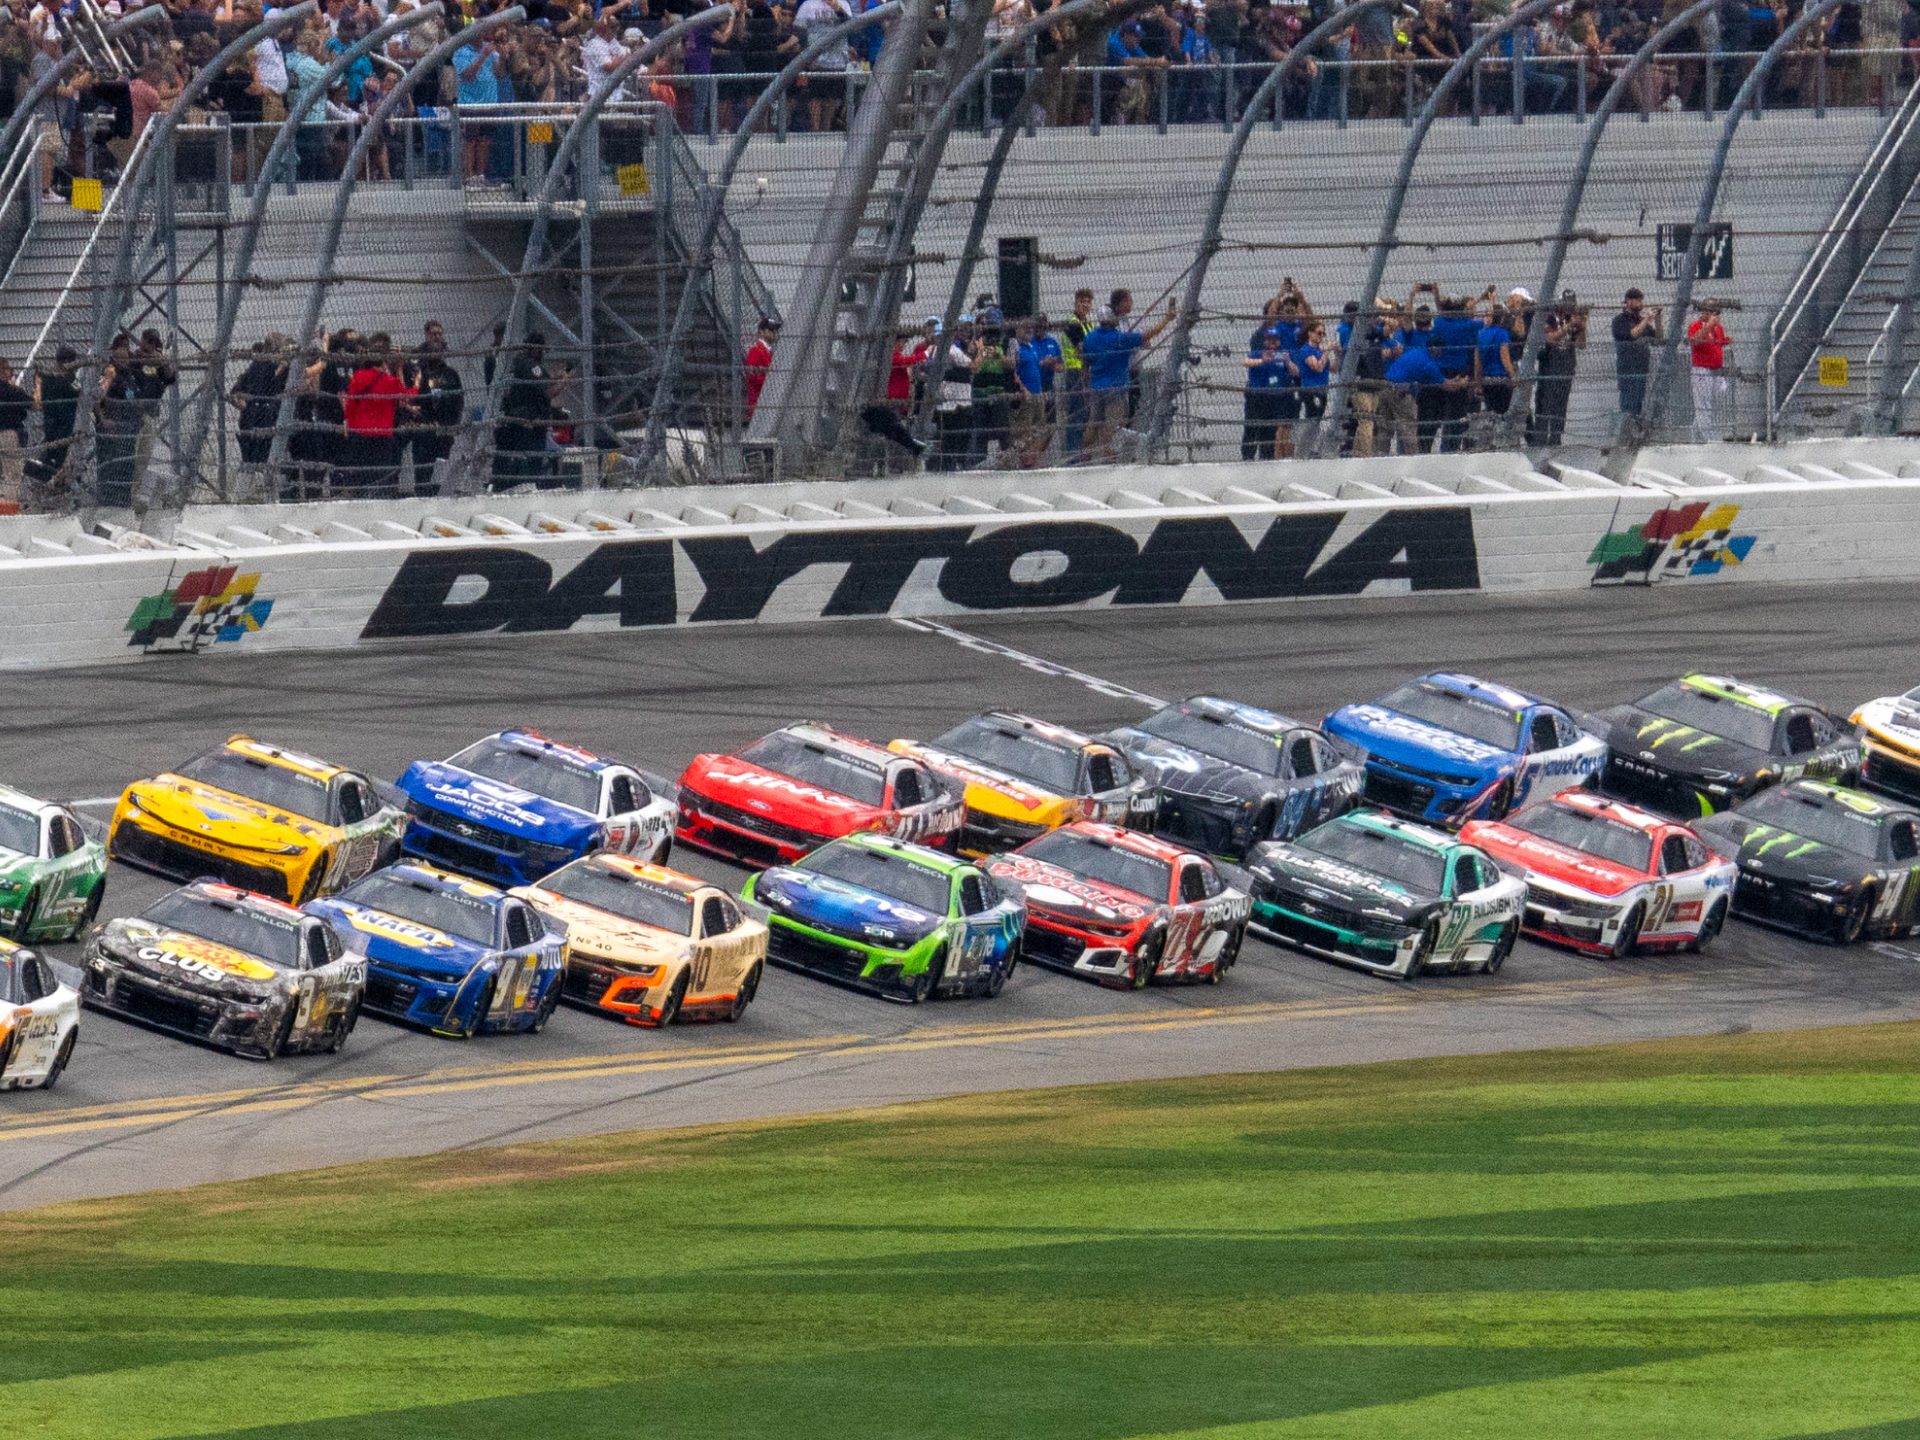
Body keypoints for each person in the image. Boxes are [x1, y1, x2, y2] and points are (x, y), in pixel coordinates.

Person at [1080, 297, 1175, 463]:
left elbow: (1085, 363)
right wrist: (1167, 318)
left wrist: (1085, 385)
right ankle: (1108, 458)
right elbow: (1149, 334)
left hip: (1096, 387)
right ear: (1112, 319)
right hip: (1116, 388)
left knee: (1093, 422)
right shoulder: (1119, 338)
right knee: (1113, 424)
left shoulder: (1090, 338)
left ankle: (1085, 456)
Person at [229, 336, 290, 491]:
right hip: (266, 416)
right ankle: (276, 493)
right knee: (271, 456)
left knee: (249, 460)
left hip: (250, 417)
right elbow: (274, 380)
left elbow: (234, 393)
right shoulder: (273, 366)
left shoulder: (254, 366)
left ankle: (242, 494)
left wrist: (246, 407)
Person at [407, 339, 464, 494]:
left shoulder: (450, 374)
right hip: (424, 427)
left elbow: (458, 400)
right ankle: (421, 494)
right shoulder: (419, 373)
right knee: (422, 466)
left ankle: (437, 494)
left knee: (440, 467)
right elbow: (410, 397)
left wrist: (454, 424)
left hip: (444, 428)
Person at [1529, 295, 1584, 447]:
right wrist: (1568, 326)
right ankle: (1539, 439)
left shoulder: (1571, 317)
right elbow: (1550, 338)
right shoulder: (1549, 317)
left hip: (1566, 367)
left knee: (1561, 405)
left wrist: (1582, 327)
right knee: (1545, 403)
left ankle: (1555, 438)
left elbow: (1581, 345)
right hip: (1549, 367)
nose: (1569, 307)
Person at [29, 346, 79, 497]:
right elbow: (75, 393)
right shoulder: (57, 380)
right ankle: (55, 488)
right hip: (61, 424)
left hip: (57, 423)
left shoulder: (50, 377)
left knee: (57, 455)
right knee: (57, 457)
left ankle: (56, 487)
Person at [454, 35, 503, 182]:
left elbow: (498, 73)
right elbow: (467, 75)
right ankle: (469, 176)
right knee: (470, 140)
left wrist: (503, 56)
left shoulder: (491, 50)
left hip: (490, 102)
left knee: (484, 140)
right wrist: (483, 55)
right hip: (470, 103)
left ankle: (480, 175)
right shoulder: (461, 52)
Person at [1611, 287, 1661, 422]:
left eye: (1641, 300)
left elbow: (1658, 338)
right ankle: (1627, 425)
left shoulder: (1640, 320)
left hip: (1641, 365)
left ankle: (1635, 425)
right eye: (1637, 300)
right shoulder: (1619, 320)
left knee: (1639, 398)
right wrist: (1646, 320)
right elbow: (1631, 335)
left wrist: (1657, 318)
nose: (1641, 304)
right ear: (1628, 301)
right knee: (1628, 398)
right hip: (1627, 366)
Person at [1240, 328, 1289, 460]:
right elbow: (1245, 362)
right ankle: (1247, 457)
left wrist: (1289, 362)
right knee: (1252, 427)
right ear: (1265, 341)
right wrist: (1262, 361)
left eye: (1275, 340)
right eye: (1269, 340)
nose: (1272, 343)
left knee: (1269, 430)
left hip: (1273, 397)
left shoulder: (1280, 356)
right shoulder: (1257, 354)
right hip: (1256, 396)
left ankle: (1266, 457)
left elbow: (1294, 371)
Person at [1059, 288, 1094, 461]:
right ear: (1076, 302)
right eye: (1082, 301)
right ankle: (1073, 457)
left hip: (1086, 372)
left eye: (1088, 302)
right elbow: (1082, 350)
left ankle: (1080, 454)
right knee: (1077, 415)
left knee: (1086, 415)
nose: (1085, 305)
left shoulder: (1087, 324)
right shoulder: (1073, 324)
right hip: (1076, 372)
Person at [1687, 301, 1728, 443]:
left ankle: (1696, 436)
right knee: (1703, 405)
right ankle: (1707, 438)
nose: (1714, 317)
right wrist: (1708, 326)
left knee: (1716, 396)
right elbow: (1694, 341)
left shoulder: (1718, 328)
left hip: (1715, 369)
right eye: (1710, 313)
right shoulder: (1696, 325)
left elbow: (1719, 342)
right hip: (1702, 369)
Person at [1294, 320, 1331, 454]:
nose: (1321, 336)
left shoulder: (1319, 351)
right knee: (1311, 420)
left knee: (1317, 421)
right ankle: (1303, 450)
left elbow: (1333, 367)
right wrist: (1327, 352)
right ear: (1310, 333)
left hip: (1322, 390)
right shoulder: (1306, 350)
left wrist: (1336, 352)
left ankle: (1311, 448)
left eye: (1323, 334)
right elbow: (1318, 367)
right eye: (1319, 333)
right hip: (1311, 390)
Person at [1475, 305, 1515, 419]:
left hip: (1486, 378)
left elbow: (1477, 362)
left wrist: (1478, 382)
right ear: (1501, 318)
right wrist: (1513, 375)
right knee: (1504, 412)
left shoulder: (1480, 333)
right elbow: (1505, 358)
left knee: (1491, 411)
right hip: (1501, 378)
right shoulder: (1502, 333)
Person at [0, 359, 27, 506]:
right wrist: (38, 384)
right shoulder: (10, 390)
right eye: (8, 370)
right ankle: (9, 508)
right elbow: (33, 405)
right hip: (7, 432)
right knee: (12, 473)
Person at [743, 316, 779, 418]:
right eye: (771, 330)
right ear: (761, 332)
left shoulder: (767, 351)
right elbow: (753, 377)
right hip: (759, 405)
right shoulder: (756, 350)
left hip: (766, 404)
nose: (774, 332)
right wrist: (771, 383)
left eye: (775, 330)